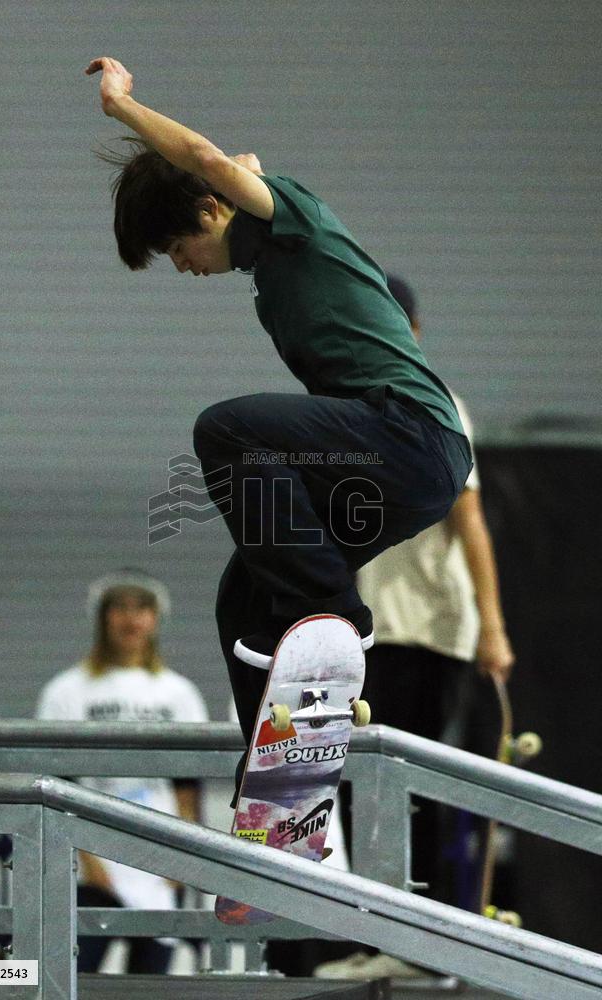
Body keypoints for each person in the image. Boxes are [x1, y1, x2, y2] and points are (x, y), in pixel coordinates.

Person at [85, 57, 473, 791]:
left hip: (412, 436)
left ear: (210, 212)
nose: (182, 268)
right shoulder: (266, 247)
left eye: (176, 249)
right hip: (383, 464)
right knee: (244, 593)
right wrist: (227, 169)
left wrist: (123, 108)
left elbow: (205, 162)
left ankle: (332, 613)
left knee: (226, 429)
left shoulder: (291, 218)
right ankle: (277, 770)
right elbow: (234, 164)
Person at [314, 275, 515, 981]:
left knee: (414, 786)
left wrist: (492, 625)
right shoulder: (345, 406)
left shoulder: (436, 403)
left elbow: (470, 523)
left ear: (415, 331)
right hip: (366, 630)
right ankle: (371, 937)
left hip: (427, 629)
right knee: (348, 783)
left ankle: (416, 943)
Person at [36, 569, 208, 974]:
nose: (131, 619)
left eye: (142, 608)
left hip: (160, 856)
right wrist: (86, 860)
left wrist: (182, 861)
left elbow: (188, 783)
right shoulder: (66, 691)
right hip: (92, 857)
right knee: (71, 974)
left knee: (149, 981)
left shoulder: (178, 693)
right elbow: (58, 785)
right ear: (103, 617)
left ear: (155, 619)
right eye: (120, 608)